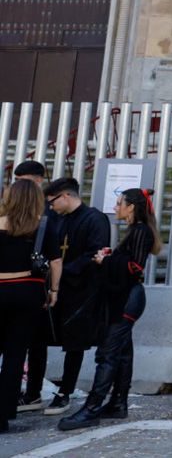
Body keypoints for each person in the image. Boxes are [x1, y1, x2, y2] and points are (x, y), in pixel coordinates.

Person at [58, 188, 161, 431]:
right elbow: (128, 263)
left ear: (131, 207)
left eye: (118, 203)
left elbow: (135, 267)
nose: (115, 208)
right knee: (122, 353)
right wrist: (111, 257)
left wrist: (107, 260)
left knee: (107, 354)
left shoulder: (140, 231)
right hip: (124, 297)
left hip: (127, 299)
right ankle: (117, 403)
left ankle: (92, 408)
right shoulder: (135, 231)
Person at [26, 178, 110, 418]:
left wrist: (64, 272)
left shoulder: (94, 219)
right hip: (54, 288)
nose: (50, 207)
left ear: (65, 196)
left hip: (79, 289)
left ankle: (65, 391)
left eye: (53, 202)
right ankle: (32, 392)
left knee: (75, 342)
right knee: (38, 338)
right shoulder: (55, 220)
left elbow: (95, 253)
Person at [0, 179, 51, 435]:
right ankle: (4, 414)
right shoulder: (41, 226)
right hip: (29, 291)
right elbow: (55, 262)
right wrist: (53, 291)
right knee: (15, 355)